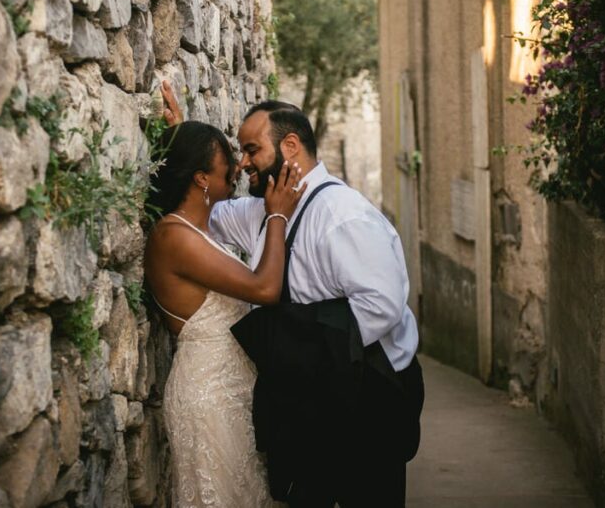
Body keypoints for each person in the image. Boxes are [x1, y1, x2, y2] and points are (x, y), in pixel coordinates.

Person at [160, 82, 424, 507]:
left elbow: (382, 306)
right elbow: (203, 208)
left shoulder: (344, 215)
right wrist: (183, 143)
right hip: (309, 401)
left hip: (365, 395)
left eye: (250, 150)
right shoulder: (263, 211)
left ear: (290, 145)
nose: (243, 163)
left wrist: (302, 351)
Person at [144, 116, 305, 507]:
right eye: (226, 161)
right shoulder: (172, 237)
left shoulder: (197, 231)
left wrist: (184, 131)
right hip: (209, 397)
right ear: (200, 178)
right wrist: (278, 215)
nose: (237, 168)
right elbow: (265, 288)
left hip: (234, 393)